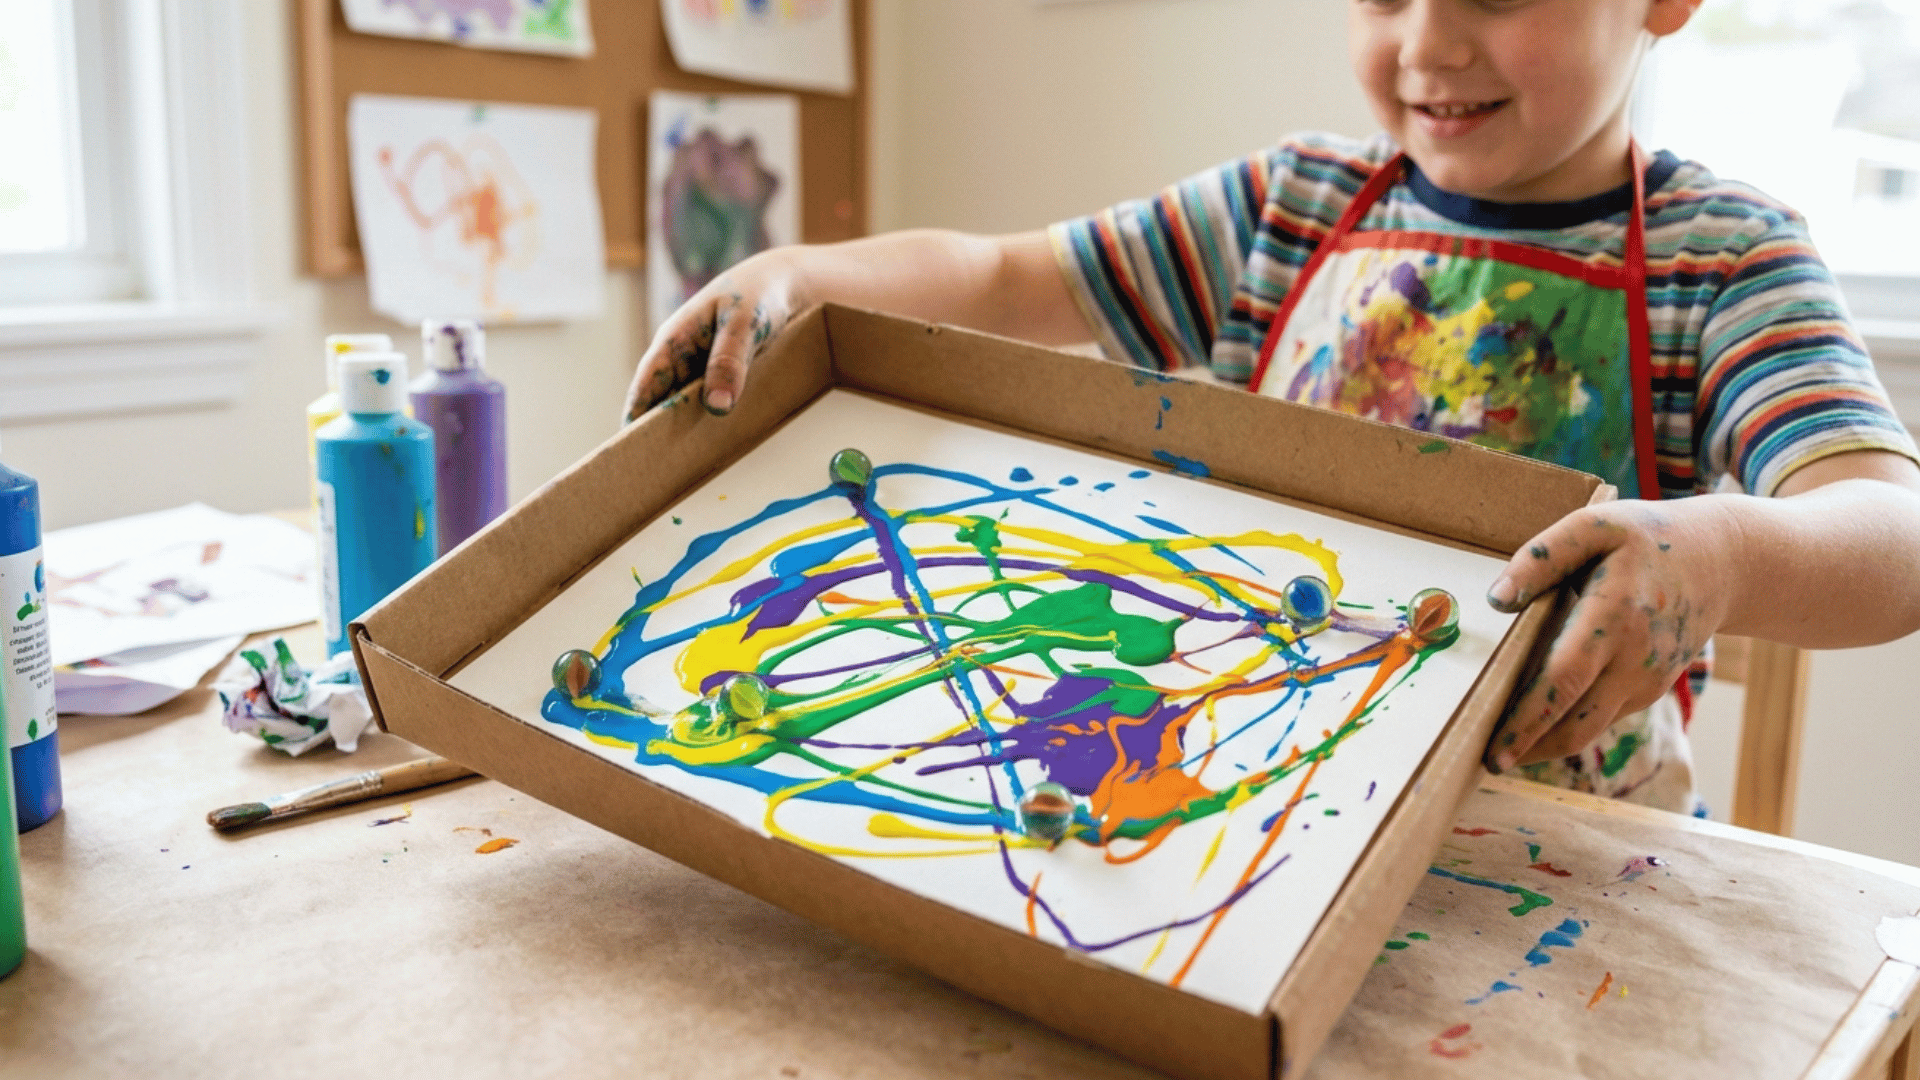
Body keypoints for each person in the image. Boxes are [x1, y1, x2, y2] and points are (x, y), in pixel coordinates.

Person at [623, 0, 1920, 814]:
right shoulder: (1285, 209)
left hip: (1559, 841)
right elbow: (1008, 276)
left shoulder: (1725, 260)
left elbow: (1889, 535)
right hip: (1261, 795)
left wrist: (1734, 557)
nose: (1426, 44)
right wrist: (799, 274)